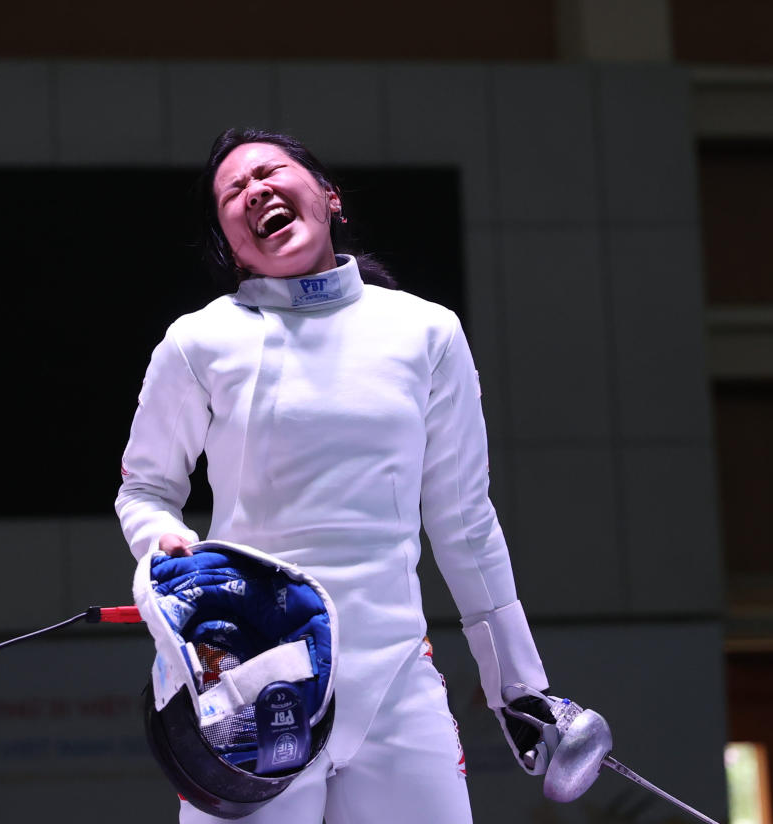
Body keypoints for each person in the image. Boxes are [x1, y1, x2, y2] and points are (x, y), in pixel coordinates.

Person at [116, 127, 550, 823]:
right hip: (251, 687)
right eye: (233, 192)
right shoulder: (199, 340)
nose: (254, 190)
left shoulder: (426, 333)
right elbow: (145, 488)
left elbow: (465, 522)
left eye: (268, 173)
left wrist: (521, 686)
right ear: (229, 243)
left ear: (328, 195)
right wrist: (163, 540)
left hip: (396, 684)